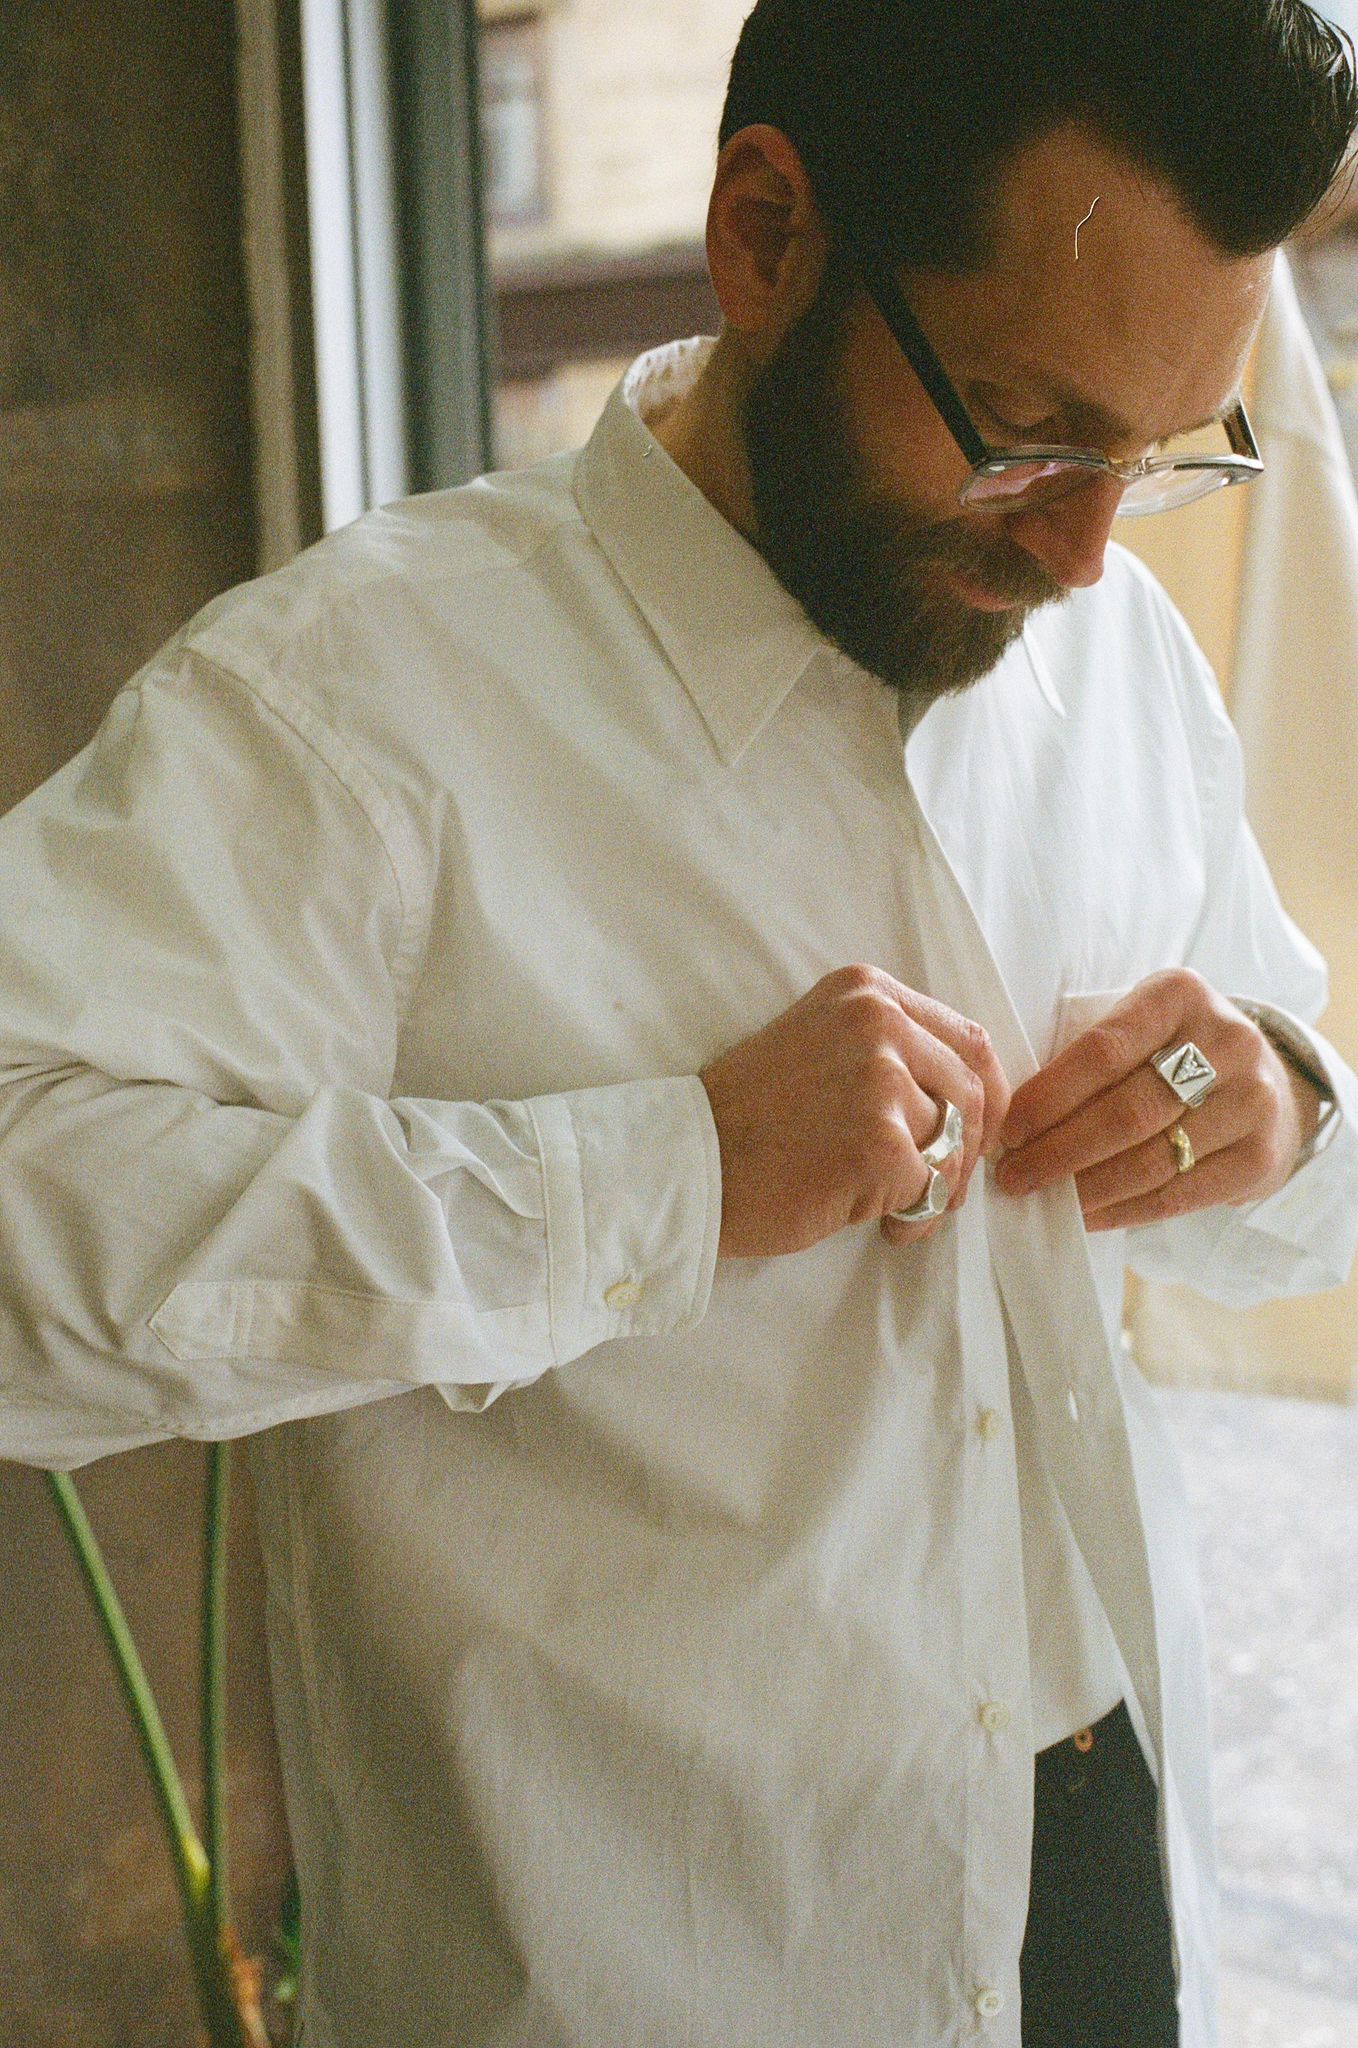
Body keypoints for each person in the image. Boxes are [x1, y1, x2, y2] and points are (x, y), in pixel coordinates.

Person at [3, 2, 1358, 2042]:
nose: (1084, 554)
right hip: (657, 1960)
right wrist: (663, 1178)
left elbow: (1295, 1152)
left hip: (1102, 1878)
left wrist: (1278, 1101)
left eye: (1161, 456)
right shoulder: (357, 704)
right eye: (1023, 425)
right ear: (764, 233)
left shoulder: (1119, 661)